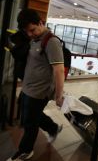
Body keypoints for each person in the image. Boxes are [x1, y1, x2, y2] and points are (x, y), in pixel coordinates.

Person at [7, 9, 65, 161]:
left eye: (32, 30)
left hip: (39, 92)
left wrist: (59, 96)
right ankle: (53, 128)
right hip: (28, 87)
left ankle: (26, 151)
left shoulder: (52, 41)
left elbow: (59, 71)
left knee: (29, 123)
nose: (31, 34)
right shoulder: (34, 39)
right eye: (27, 32)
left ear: (41, 22)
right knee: (31, 116)